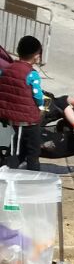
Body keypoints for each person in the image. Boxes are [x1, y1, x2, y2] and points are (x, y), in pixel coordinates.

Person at [0, 35, 46, 170]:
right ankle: (33, 179)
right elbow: (38, 96)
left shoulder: (7, 69)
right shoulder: (32, 74)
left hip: (12, 119)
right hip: (29, 121)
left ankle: (9, 175)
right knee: (33, 153)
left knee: (16, 150)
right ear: (37, 56)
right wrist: (41, 105)